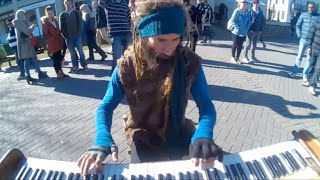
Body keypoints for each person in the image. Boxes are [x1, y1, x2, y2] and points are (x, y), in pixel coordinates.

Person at [77, 0, 222, 175]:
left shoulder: (189, 62)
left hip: (178, 132)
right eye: (161, 39)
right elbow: (105, 107)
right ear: (145, 35)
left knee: (208, 169)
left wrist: (204, 133)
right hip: (143, 137)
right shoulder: (127, 66)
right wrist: (102, 139)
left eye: (175, 38)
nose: (169, 49)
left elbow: (206, 106)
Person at [13, 10, 48, 84]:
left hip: (26, 44)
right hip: (25, 44)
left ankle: (38, 73)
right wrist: (33, 26)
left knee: (32, 59)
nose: (25, 16)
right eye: (23, 15)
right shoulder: (19, 23)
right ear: (20, 15)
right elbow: (27, 32)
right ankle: (29, 76)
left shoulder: (19, 23)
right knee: (28, 60)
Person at [98, 0, 132, 72]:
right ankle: (115, 77)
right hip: (115, 34)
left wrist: (131, 29)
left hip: (127, 32)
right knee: (117, 57)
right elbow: (100, 2)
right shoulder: (109, 3)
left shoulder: (125, 3)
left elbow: (129, 18)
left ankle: (127, 75)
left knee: (128, 56)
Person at [290, 2, 319, 82]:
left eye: (312, 7)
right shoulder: (303, 15)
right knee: (299, 56)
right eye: (309, 7)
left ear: (315, 8)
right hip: (303, 39)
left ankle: (305, 75)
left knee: (309, 59)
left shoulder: (318, 16)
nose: (310, 9)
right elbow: (298, 25)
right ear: (307, 8)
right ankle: (294, 72)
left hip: (312, 42)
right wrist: (299, 35)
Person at [59, 0, 88, 73]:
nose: (68, 5)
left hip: (77, 36)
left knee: (81, 52)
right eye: (66, 4)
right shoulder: (62, 15)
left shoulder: (76, 13)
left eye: (69, 3)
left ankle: (84, 65)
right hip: (68, 38)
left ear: (72, 4)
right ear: (64, 5)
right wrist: (65, 36)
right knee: (72, 53)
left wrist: (79, 34)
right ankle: (75, 66)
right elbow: (61, 28)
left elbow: (81, 24)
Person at [41, 6, 69, 79]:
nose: (50, 14)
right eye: (48, 13)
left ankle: (60, 70)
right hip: (52, 43)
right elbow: (45, 34)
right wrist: (53, 36)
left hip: (58, 41)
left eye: (51, 13)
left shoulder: (55, 20)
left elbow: (59, 29)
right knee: (55, 58)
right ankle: (58, 72)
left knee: (59, 57)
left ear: (53, 13)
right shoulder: (45, 22)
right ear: (46, 14)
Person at [227, 0, 251, 64]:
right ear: (239, 3)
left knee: (240, 46)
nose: (244, 4)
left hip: (243, 32)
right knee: (235, 44)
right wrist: (237, 27)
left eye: (245, 3)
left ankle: (237, 58)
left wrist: (246, 29)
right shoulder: (237, 11)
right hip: (235, 31)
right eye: (243, 2)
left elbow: (249, 22)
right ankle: (233, 57)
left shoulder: (247, 12)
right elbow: (232, 20)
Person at [305, 20, 320, 96]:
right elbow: (310, 35)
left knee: (318, 68)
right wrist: (309, 47)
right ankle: (310, 80)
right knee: (311, 66)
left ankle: (312, 86)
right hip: (314, 48)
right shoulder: (317, 22)